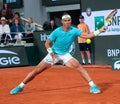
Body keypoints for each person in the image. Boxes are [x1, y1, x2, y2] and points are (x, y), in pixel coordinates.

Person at [10, 13, 107, 95]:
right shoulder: (56, 31)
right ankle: (21, 86)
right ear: (62, 21)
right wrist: (52, 54)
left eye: (69, 20)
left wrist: (99, 31)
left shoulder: (74, 30)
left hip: (65, 55)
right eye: (66, 20)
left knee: (79, 66)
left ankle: (93, 86)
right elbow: (47, 43)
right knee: (36, 71)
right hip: (53, 53)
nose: (68, 22)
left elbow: (87, 35)